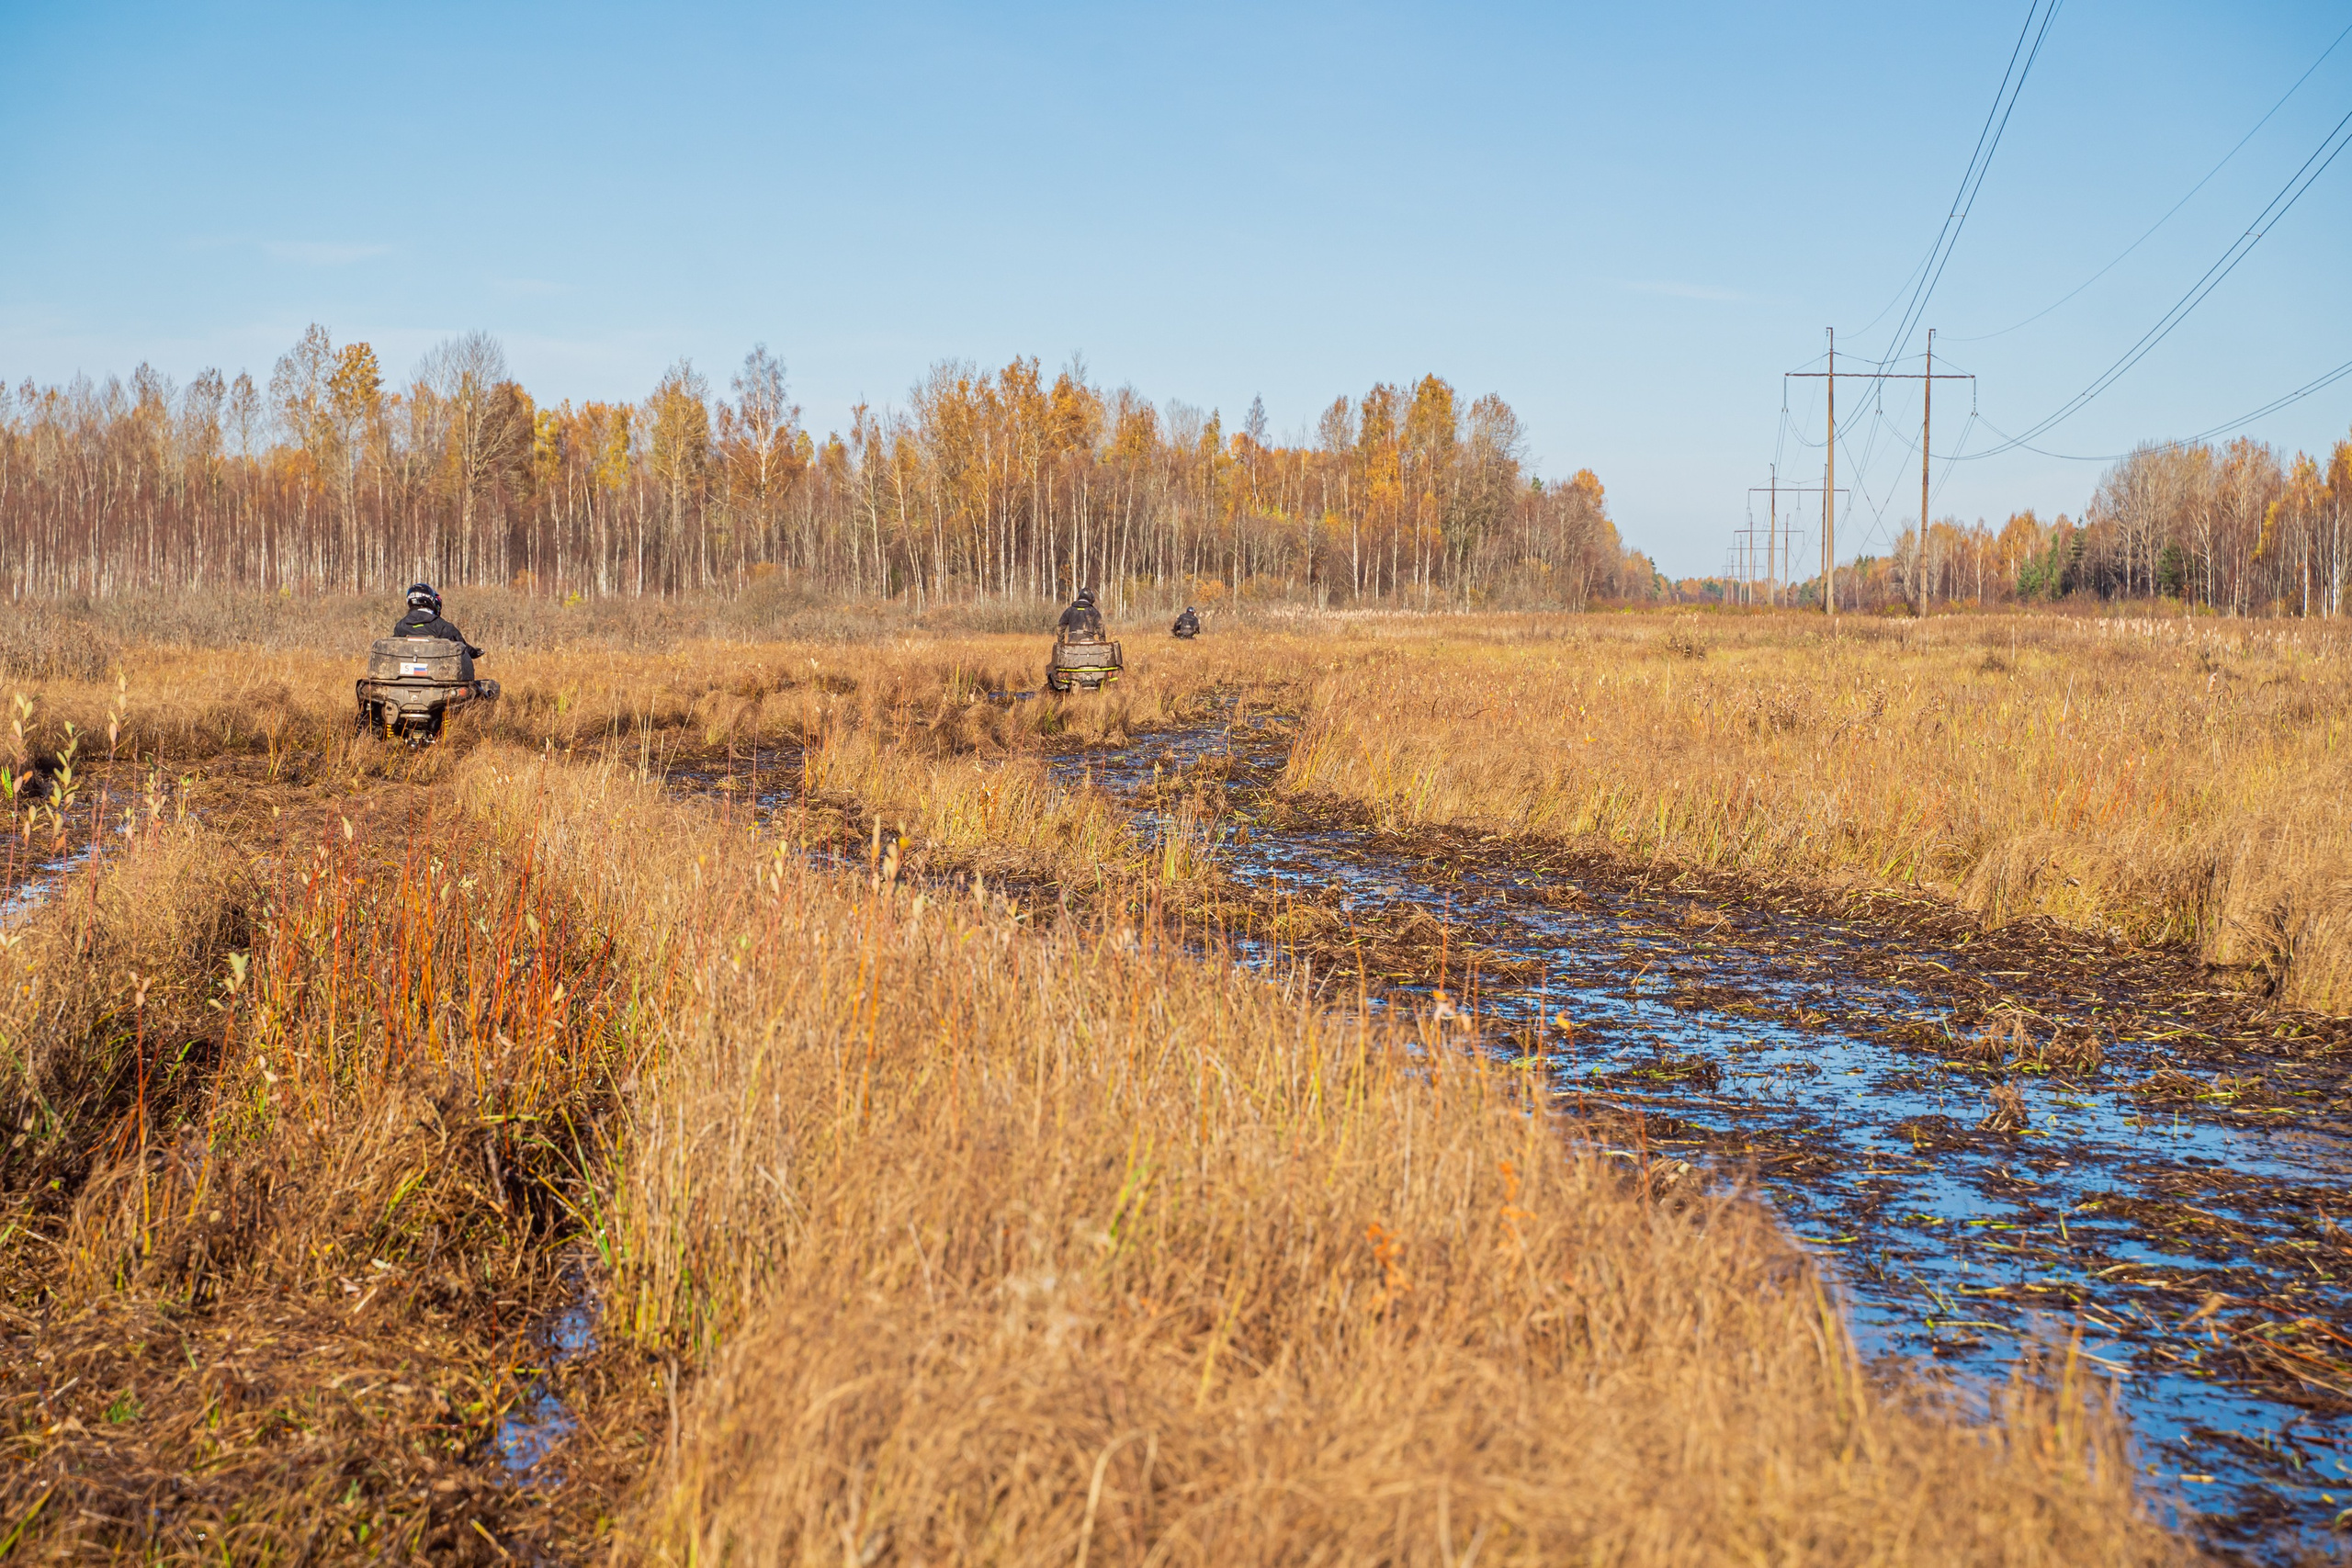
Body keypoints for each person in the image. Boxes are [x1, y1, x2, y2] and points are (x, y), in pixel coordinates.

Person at [390, 582, 482, 657]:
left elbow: (393, 647)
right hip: (436, 671)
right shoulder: (442, 626)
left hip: (404, 672)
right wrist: (475, 652)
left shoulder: (400, 625)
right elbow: (462, 647)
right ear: (431, 600)